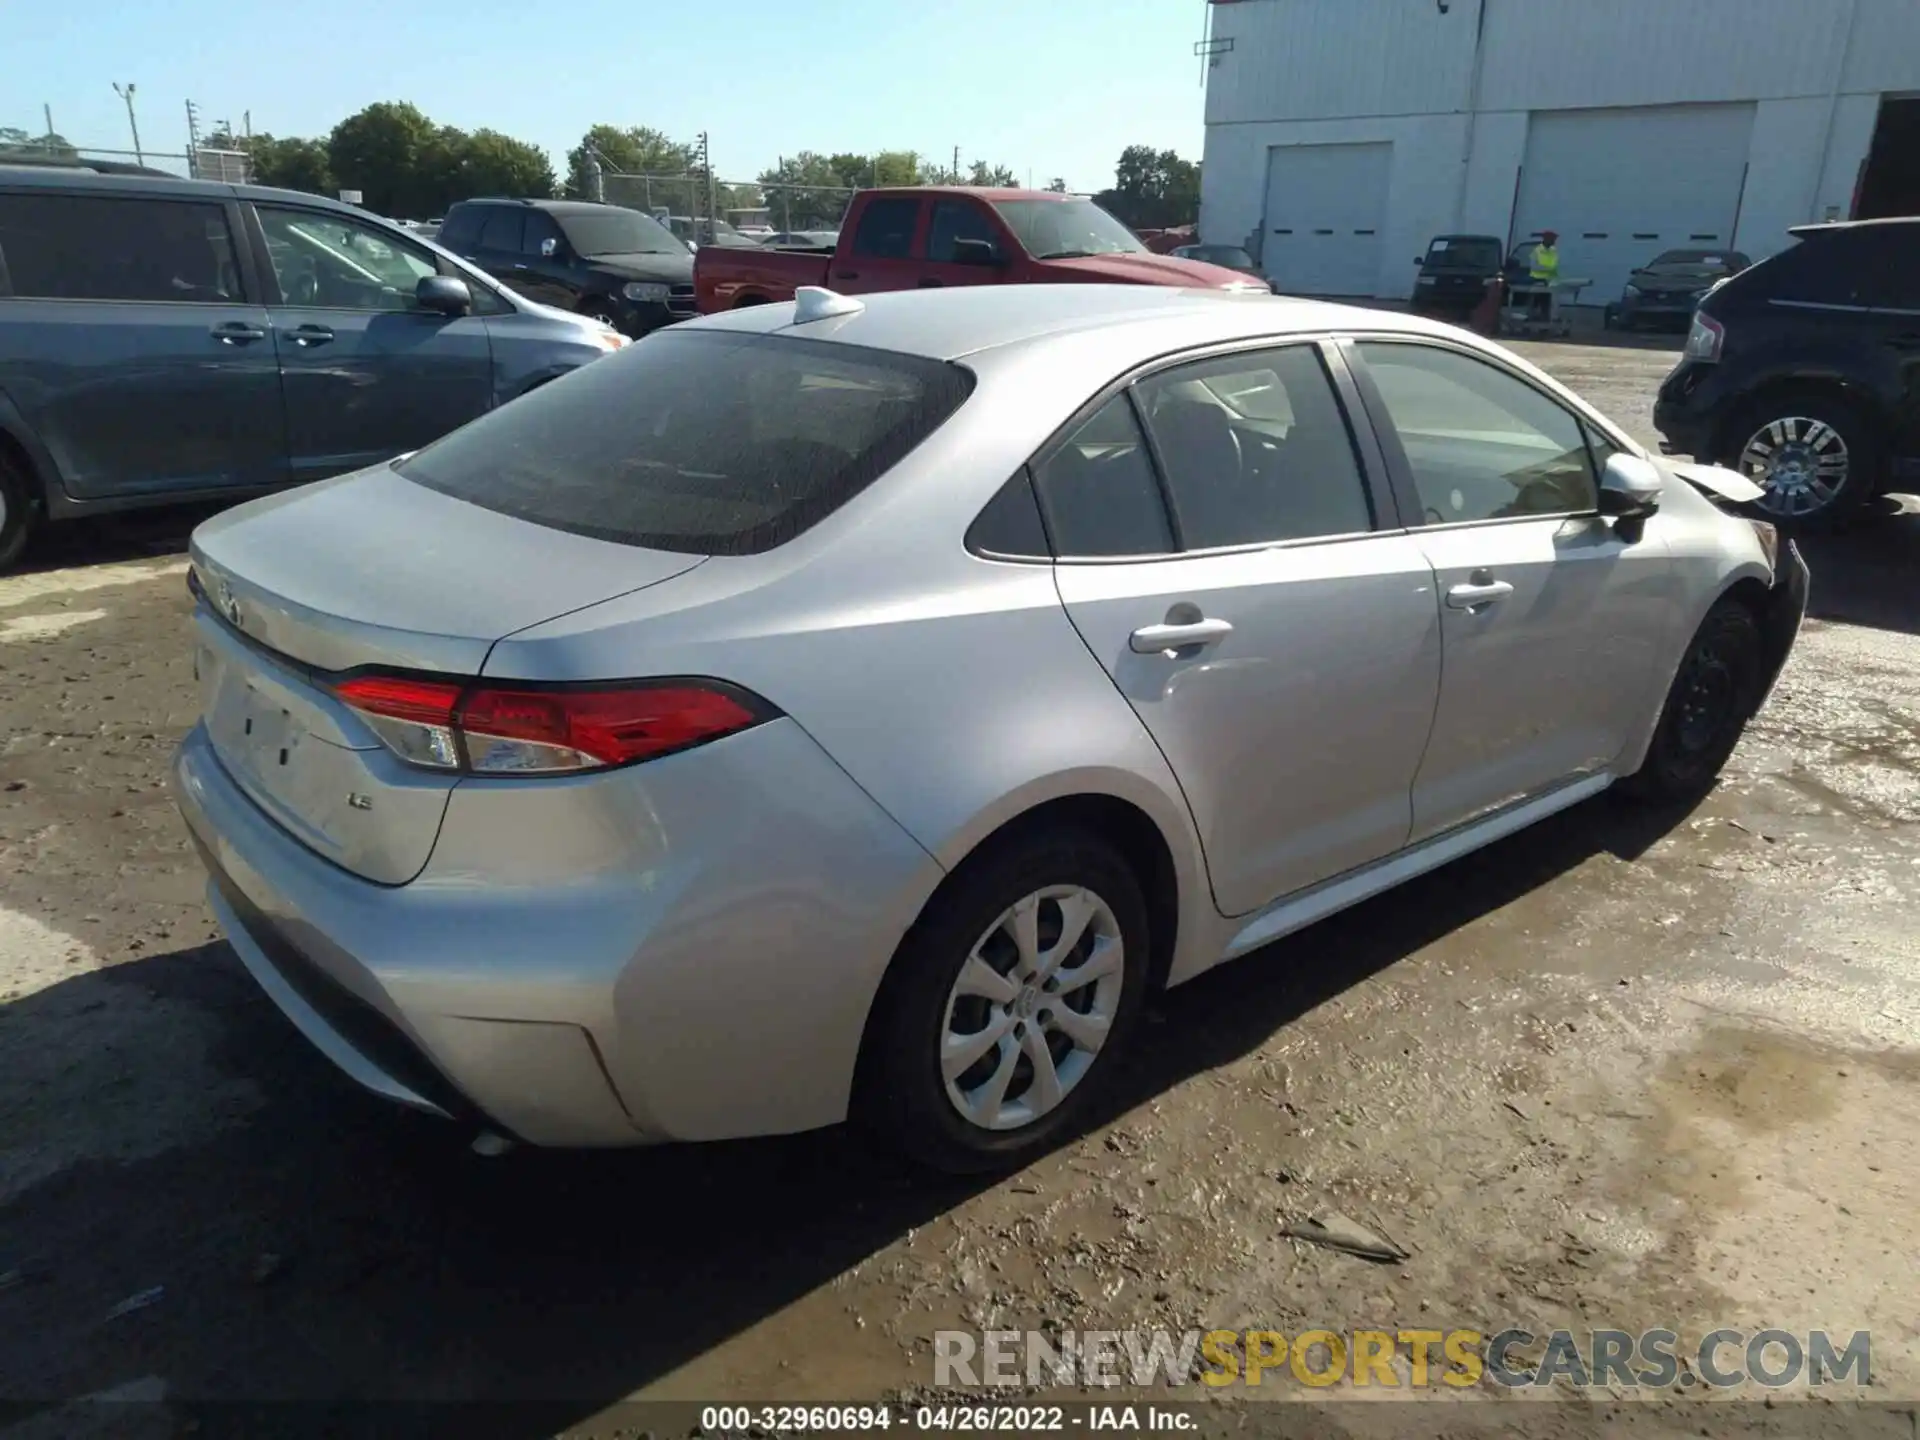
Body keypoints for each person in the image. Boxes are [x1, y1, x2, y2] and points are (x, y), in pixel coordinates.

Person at [1528, 230, 1561, 321]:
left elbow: (1555, 265)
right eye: (1553, 239)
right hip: (1537, 280)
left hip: (1550, 281)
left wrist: (1549, 270)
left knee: (1546, 303)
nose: (1554, 241)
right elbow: (1534, 266)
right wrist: (1548, 268)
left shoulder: (1553, 250)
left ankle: (1545, 322)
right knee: (1535, 302)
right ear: (1547, 239)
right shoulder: (1537, 251)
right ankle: (1530, 320)